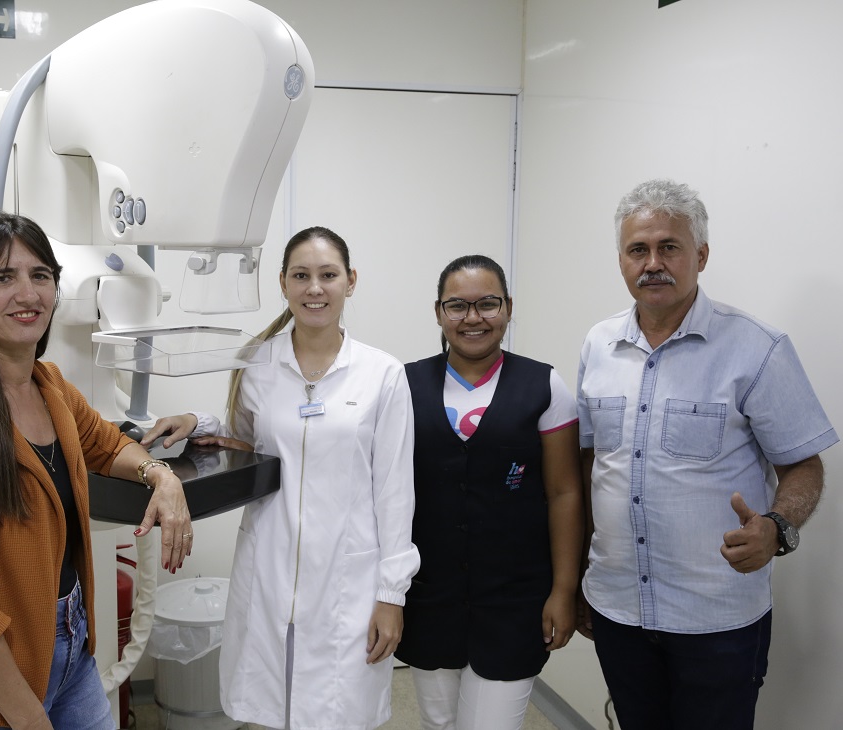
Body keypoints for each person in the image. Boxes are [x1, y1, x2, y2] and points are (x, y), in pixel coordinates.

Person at [0, 211, 192, 730]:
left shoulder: (49, 385)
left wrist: (161, 475)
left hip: (71, 652)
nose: (27, 294)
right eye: (3, 277)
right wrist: (29, 719)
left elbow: (105, 444)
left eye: (40, 275)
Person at [576, 179, 838, 729]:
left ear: (701, 255)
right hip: (618, 606)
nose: (653, 263)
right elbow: (592, 466)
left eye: (669, 247)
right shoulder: (598, 345)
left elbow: (803, 465)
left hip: (717, 620)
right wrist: (579, 575)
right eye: (637, 249)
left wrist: (777, 528)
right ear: (621, 260)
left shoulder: (756, 348)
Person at [141, 226, 420, 730]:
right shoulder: (257, 363)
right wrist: (195, 421)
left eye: (328, 275)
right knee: (271, 709)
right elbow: (245, 438)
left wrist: (391, 595)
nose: (315, 288)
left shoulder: (382, 374)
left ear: (350, 281)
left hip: (347, 578)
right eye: (301, 275)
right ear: (283, 283)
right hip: (270, 566)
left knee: (337, 714)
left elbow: (396, 493)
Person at [395, 255, 583, 730]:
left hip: (514, 600)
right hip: (430, 596)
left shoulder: (544, 385)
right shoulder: (404, 384)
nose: (473, 318)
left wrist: (564, 590)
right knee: (439, 722)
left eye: (487, 304)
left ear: (508, 308)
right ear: (438, 312)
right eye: (457, 305)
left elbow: (564, 493)